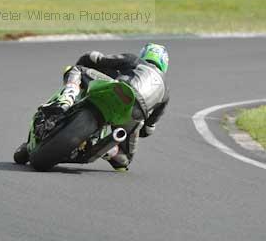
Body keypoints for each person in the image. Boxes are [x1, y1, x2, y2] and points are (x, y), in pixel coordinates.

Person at [15, 43, 169, 172]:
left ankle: (66, 100)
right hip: (133, 115)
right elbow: (148, 130)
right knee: (123, 161)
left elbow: (97, 58)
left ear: (144, 54)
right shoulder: (165, 94)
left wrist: (85, 60)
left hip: (120, 91)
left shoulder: (134, 60)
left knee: (76, 70)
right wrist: (139, 128)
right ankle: (107, 148)